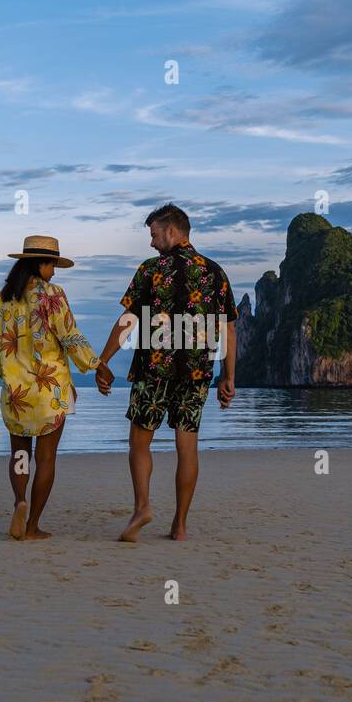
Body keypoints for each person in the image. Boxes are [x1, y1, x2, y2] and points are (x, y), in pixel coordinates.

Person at [95, 204, 237, 542]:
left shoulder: (151, 270)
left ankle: (142, 507)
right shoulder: (215, 273)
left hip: (154, 369)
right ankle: (180, 526)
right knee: (187, 445)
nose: (151, 243)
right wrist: (228, 377)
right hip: (197, 372)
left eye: (154, 234)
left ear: (172, 231)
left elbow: (128, 321)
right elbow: (228, 330)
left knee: (140, 441)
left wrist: (103, 360)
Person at [0, 235, 113, 541]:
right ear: (41, 263)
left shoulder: (4, 299)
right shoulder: (53, 295)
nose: (55, 272)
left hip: (16, 390)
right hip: (50, 391)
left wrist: (8, 375)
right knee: (46, 459)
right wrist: (97, 365)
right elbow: (70, 336)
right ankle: (31, 527)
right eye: (52, 265)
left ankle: (20, 501)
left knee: (20, 454)